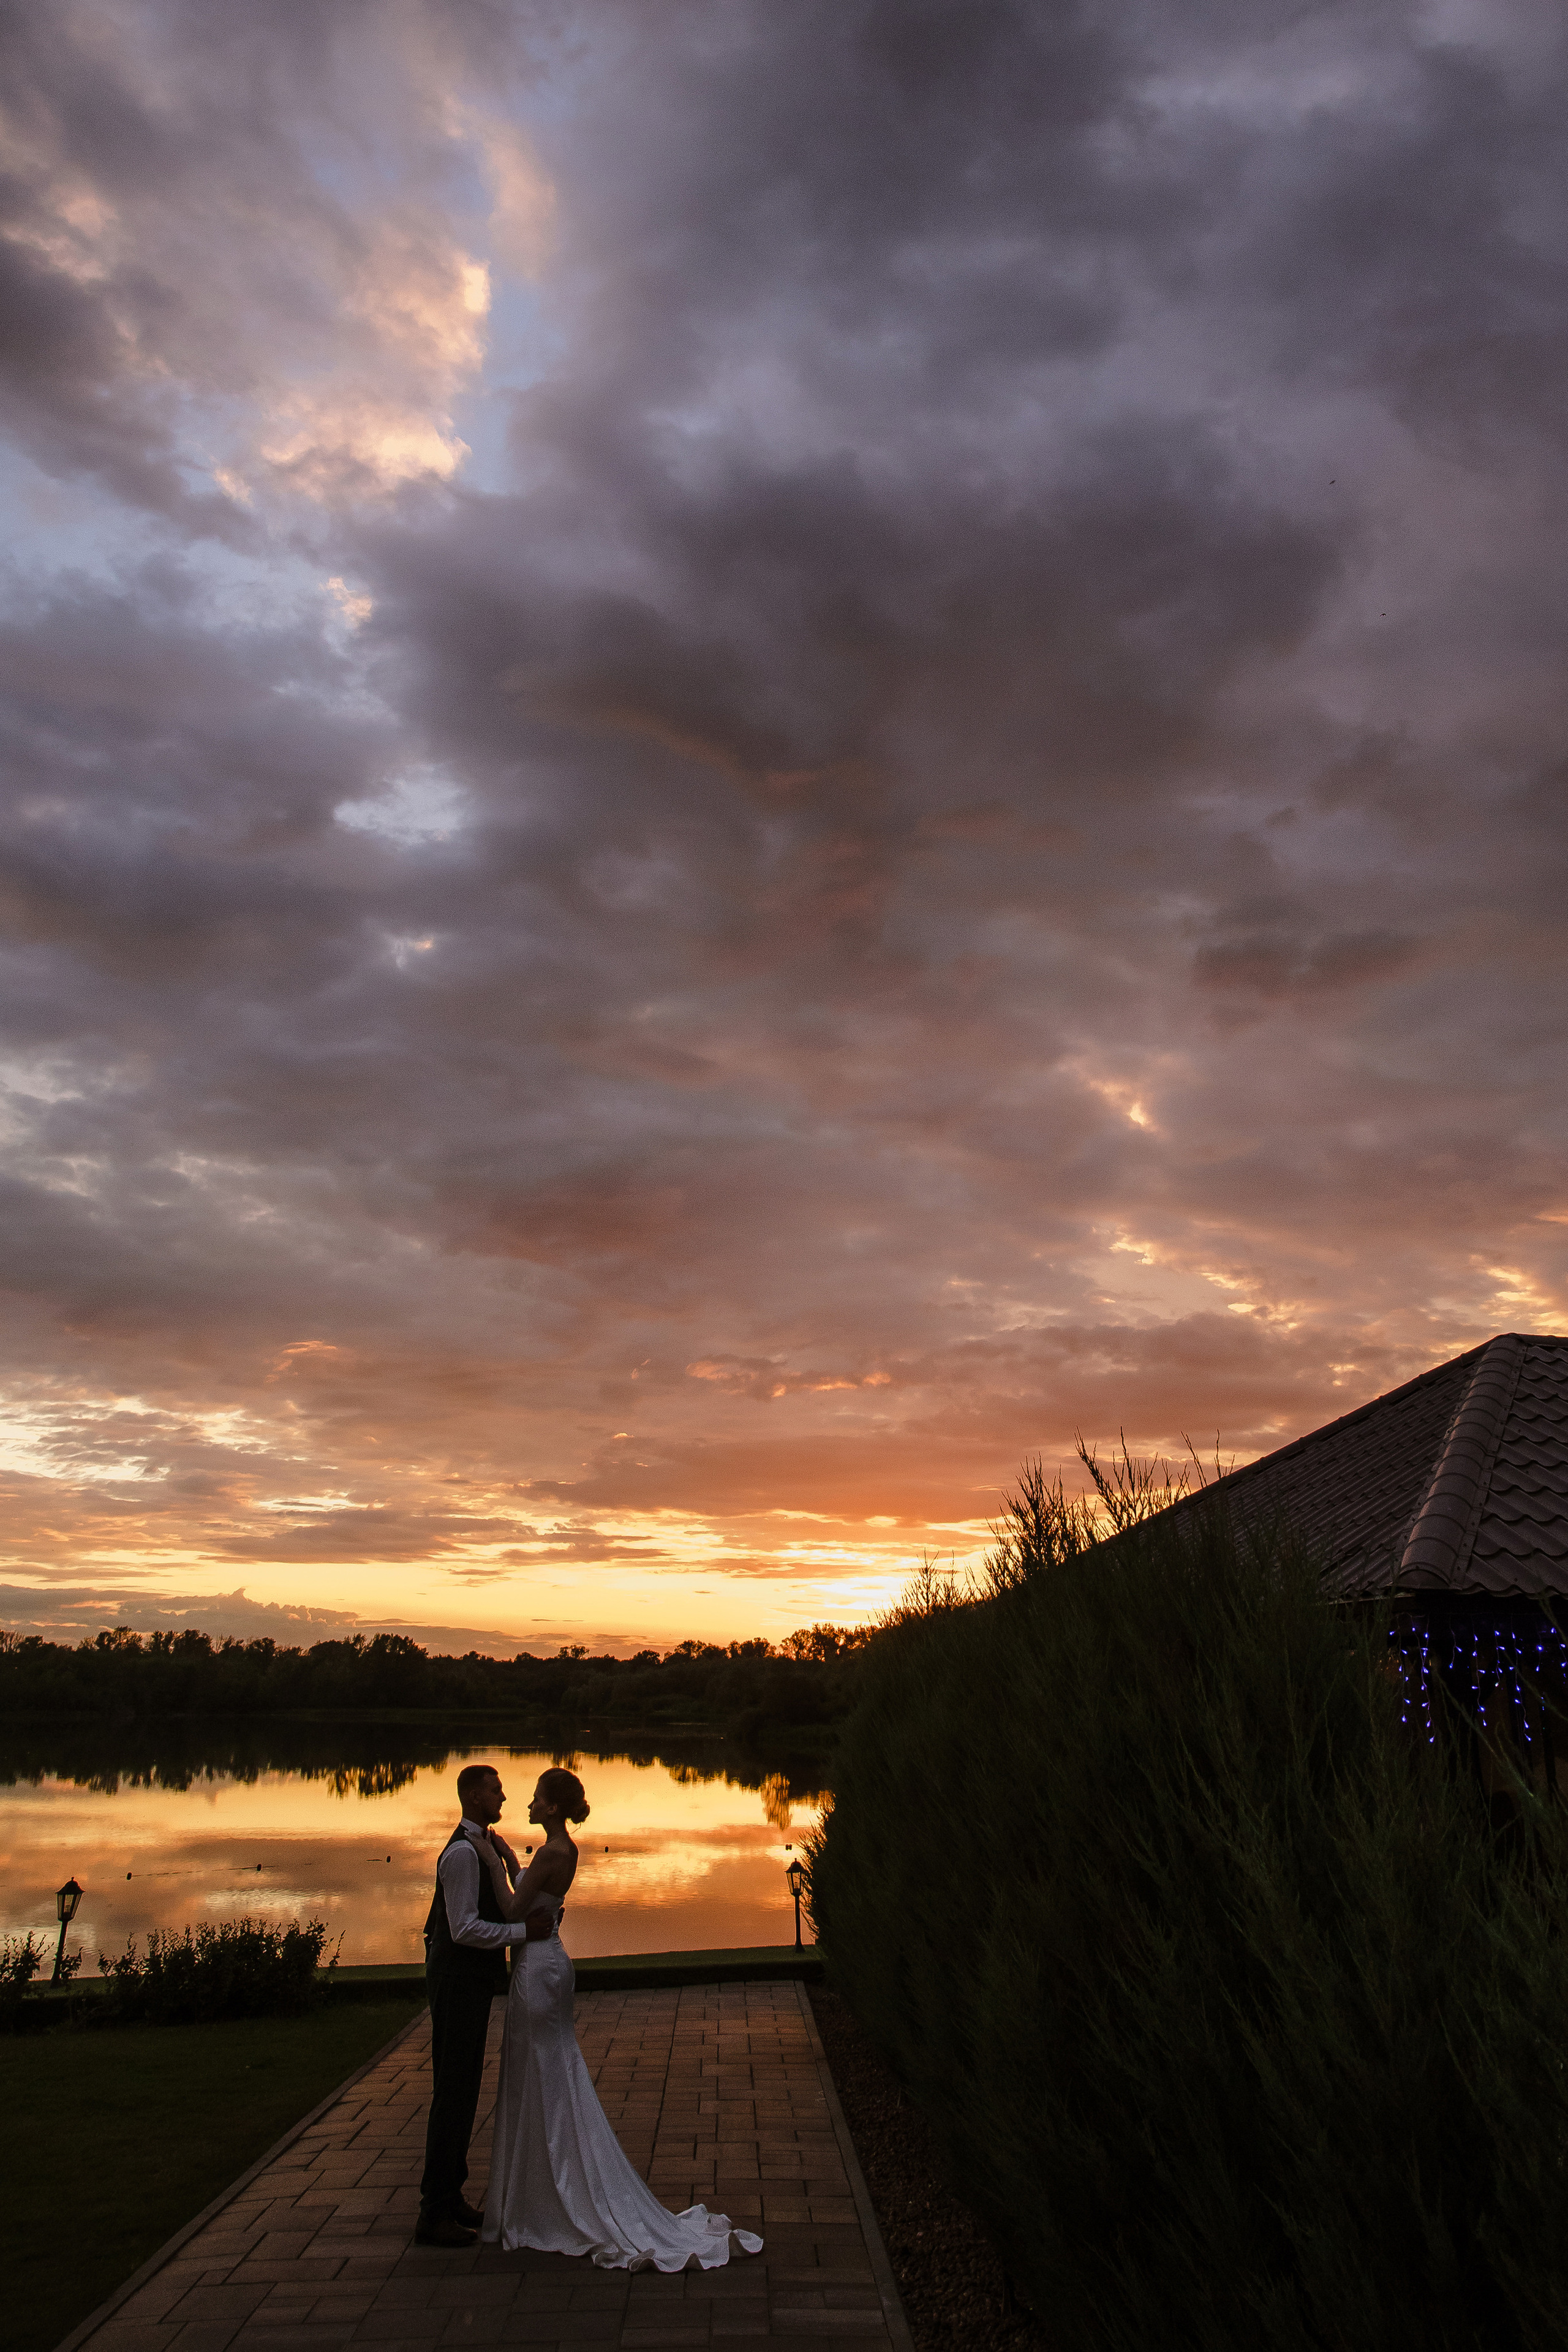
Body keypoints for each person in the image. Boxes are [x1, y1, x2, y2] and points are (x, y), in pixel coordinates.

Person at [472, 1766, 764, 2270]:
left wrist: (491, 1864)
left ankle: (548, 2196)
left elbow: (511, 1909)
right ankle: (550, 2180)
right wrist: (505, 1855)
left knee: (538, 2072)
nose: (529, 1805)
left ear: (554, 1808)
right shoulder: (567, 1851)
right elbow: (537, 1894)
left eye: (537, 1799)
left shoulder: (547, 1855)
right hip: (555, 1964)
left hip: (536, 1971)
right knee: (554, 2069)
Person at [417, 1762, 556, 2248]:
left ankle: (451, 2196)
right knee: (453, 2091)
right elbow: (463, 1928)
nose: (503, 1797)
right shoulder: (460, 1854)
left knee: (464, 2087)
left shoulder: (485, 1847)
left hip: (471, 1981)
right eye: (496, 1790)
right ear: (475, 1797)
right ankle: (433, 2212)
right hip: (456, 1980)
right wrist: (523, 1933)